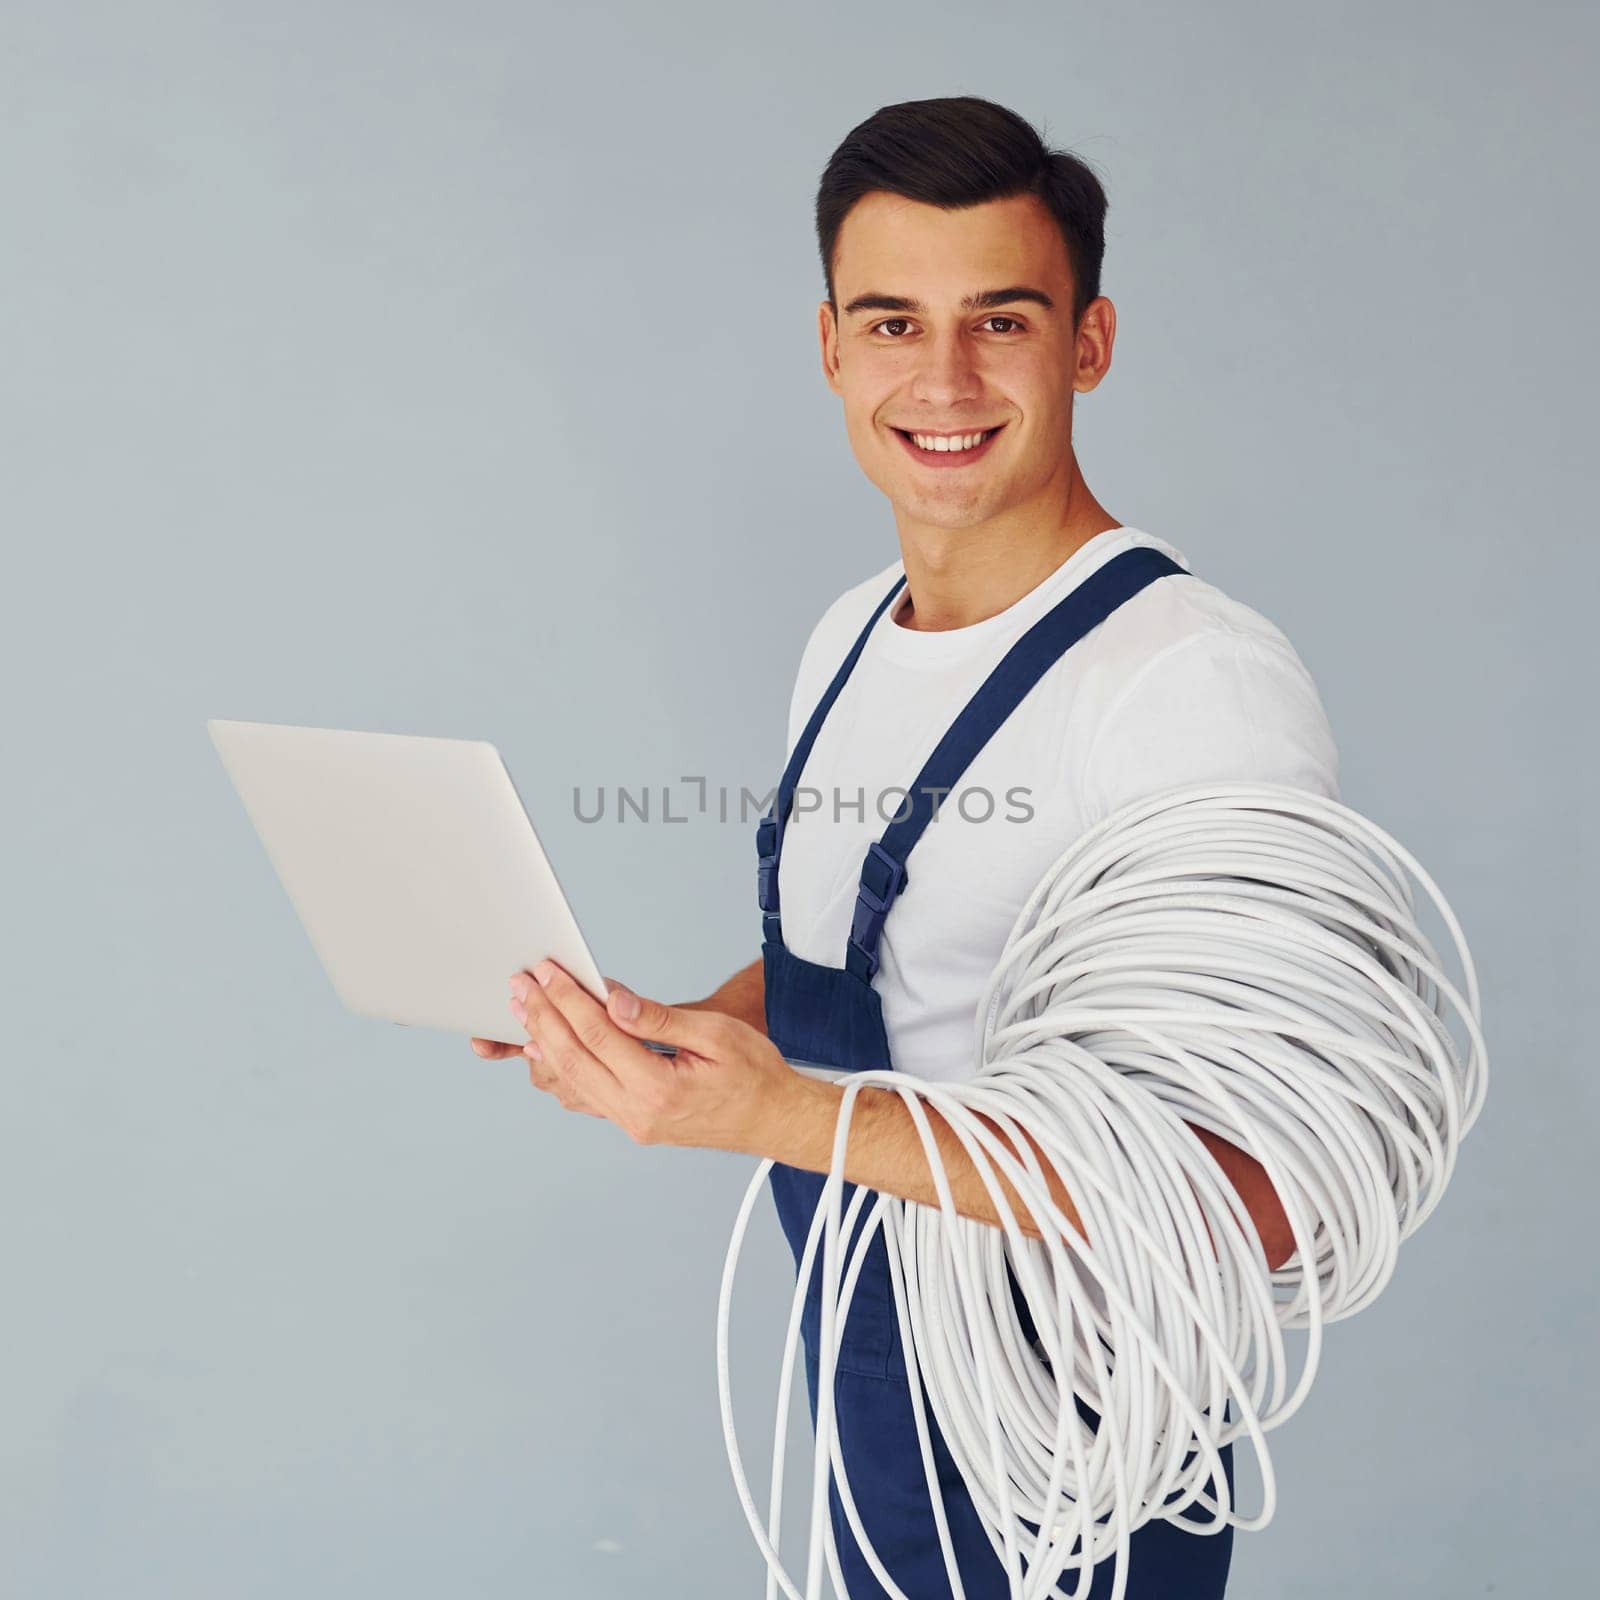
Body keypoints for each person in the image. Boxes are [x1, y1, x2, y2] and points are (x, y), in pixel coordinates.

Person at [473, 94, 1339, 1599]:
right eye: (890, 323)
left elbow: (1239, 1187)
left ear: (1089, 343)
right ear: (829, 349)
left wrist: (780, 1120)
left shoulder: (1190, 685)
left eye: (1001, 321)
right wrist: (675, 1032)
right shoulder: (849, 639)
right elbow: (885, 963)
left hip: (1078, 1456)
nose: (942, 377)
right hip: (879, 1407)